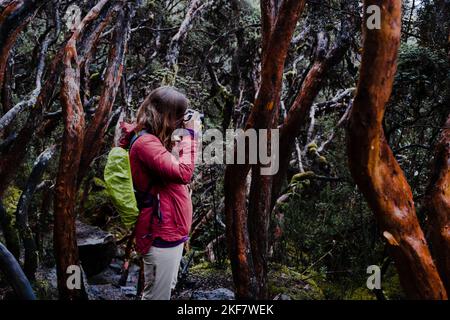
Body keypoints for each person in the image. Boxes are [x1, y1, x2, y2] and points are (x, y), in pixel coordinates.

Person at [119, 86, 200, 300]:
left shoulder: (153, 138)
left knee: (161, 292)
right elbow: (183, 172)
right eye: (179, 117)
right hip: (160, 232)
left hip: (169, 230)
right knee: (156, 297)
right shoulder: (146, 143)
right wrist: (189, 134)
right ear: (166, 116)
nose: (181, 122)